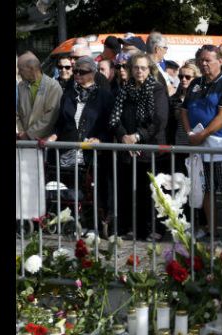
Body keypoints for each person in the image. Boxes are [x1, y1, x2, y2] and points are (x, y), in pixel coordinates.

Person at [46, 56, 115, 233]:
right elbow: (61, 123)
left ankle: (94, 224)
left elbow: (109, 124)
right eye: (75, 71)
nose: (77, 74)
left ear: (92, 73)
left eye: (82, 72)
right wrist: (53, 136)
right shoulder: (68, 94)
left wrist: (99, 139)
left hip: (91, 151)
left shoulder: (104, 96)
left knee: (90, 188)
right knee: (68, 187)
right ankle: (66, 220)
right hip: (68, 149)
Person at [180, 45, 222, 243]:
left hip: (221, 143)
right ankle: (211, 229)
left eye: (208, 60)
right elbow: (184, 110)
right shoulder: (195, 83)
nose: (204, 64)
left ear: (220, 61)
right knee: (205, 188)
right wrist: (190, 133)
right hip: (199, 144)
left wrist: (203, 134)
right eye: (201, 60)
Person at [108, 52, 169, 241]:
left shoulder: (157, 89)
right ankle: (135, 227)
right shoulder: (125, 89)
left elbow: (159, 120)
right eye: (136, 67)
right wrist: (124, 137)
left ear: (149, 69)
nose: (139, 71)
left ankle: (156, 229)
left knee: (152, 191)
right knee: (131, 190)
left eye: (143, 67)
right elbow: (115, 119)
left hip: (151, 148)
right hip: (129, 148)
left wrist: (137, 136)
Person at [16, 51, 63, 221]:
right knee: (24, 183)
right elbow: (18, 113)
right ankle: (25, 216)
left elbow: (50, 117)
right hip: (24, 144)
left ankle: (41, 215)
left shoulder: (53, 86)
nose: (18, 72)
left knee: (40, 182)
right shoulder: (21, 86)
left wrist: (28, 134)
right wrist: (20, 132)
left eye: (20, 69)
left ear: (30, 68)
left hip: (43, 143)